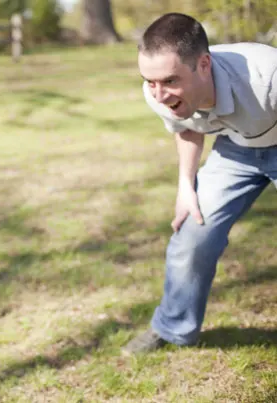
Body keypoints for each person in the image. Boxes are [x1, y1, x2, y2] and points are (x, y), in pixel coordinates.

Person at [123, 13, 277, 354]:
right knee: (192, 236)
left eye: (169, 81)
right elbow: (188, 129)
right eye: (149, 81)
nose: (159, 94)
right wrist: (185, 186)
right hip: (236, 149)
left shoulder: (268, 75)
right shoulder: (157, 92)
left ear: (203, 64)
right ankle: (174, 328)